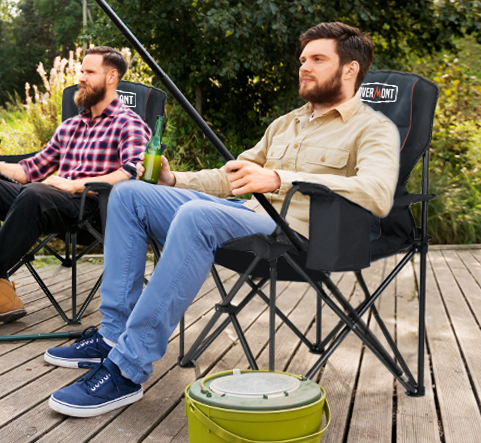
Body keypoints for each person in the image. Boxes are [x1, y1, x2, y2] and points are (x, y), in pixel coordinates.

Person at [43, 22, 400, 418]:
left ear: (349, 70)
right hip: (246, 215)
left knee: (197, 216)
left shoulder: (373, 127)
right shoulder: (286, 124)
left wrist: (281, 178)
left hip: (302, 234)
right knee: (130, 194)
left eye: (318, 59)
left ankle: (127, 368)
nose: (304, 67)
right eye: (302, 59)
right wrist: (174, 179)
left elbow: (378, 192)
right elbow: (233, 176)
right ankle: (112, 336)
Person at [0, 46, 152, 328]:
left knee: (35, 194)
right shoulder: (70, 127)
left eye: (90, 72)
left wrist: (76, 184)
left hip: (93, 207)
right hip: (49, 200)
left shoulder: (129, 124)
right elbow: (30, 169)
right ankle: (0, 290)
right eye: (81, 71)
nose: (82, 78)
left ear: (111, 77)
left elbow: (133, 172)